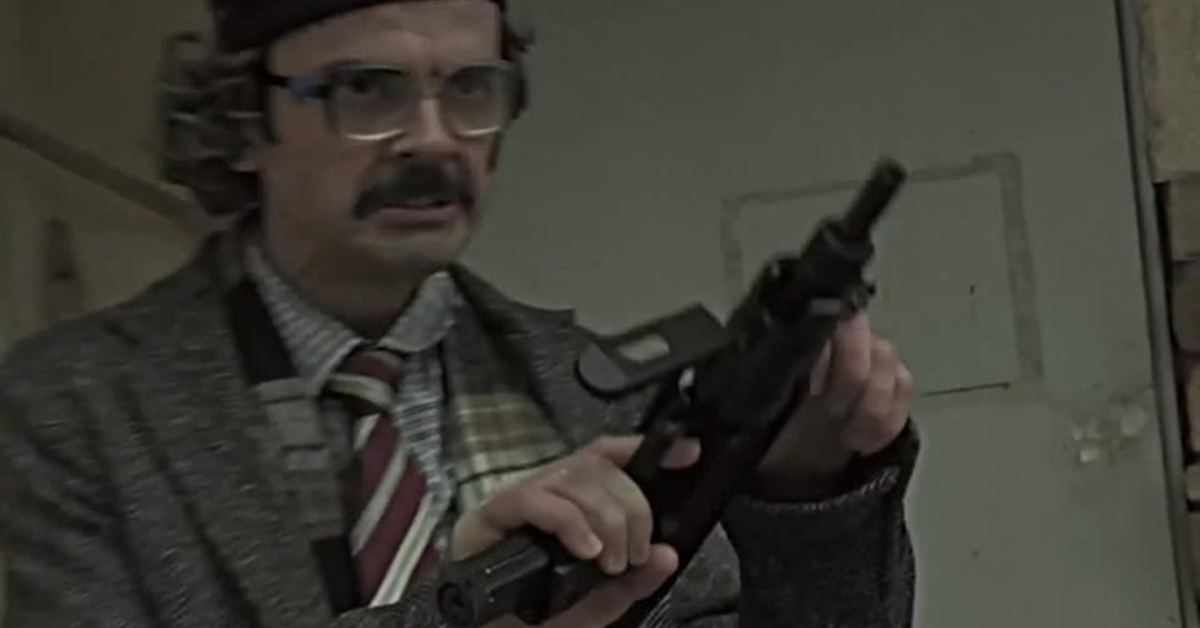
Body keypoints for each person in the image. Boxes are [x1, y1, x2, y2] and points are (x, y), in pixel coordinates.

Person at [0, 1, 921, 627]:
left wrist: (803, 492)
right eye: (368, 90)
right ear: (243, 122)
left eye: (472, 88)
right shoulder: (72, 413)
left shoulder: (593, 390)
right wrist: (451, 611)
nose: (434, 138)